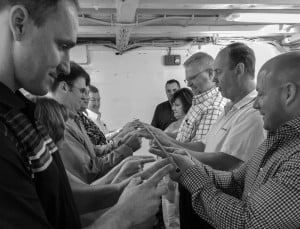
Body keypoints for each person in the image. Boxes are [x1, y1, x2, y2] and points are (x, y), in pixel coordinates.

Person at [0, 1, 172, 228]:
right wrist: (123, 216)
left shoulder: (20, 113)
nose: (66, 67)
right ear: (19, 24)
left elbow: (58, 198)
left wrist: (121, 192)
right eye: (61, 45)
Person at [166, 51, 300, 229]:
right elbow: (235, 182)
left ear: (288, 93)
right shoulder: (275, 140)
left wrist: (191, 174)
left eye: (261, 94)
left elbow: (247, 222)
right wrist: (189, 164)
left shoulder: (296, 157)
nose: (256, 104)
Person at [49, 61, 142, 184]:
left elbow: (94, 152)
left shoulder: (74, 119)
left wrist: (121, 142)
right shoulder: (61, 125)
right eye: (82, 91)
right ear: (64, 87)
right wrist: (126, 148)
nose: (84, 98)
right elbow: (90, 173)